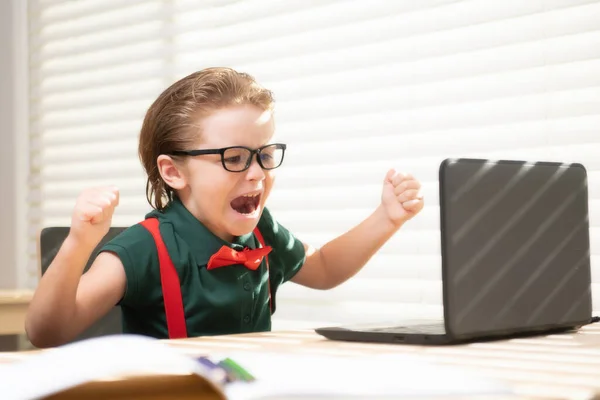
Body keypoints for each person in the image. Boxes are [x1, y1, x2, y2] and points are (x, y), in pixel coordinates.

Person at [25, 67, 424, 348]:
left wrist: (386, 218)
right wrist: (80, 241)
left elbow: (323, 270)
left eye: (264, 154)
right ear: (173, 172)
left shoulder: (261, 229)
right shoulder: (146, 248)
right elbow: (47, 332)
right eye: (234, 157)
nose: (256, 173)